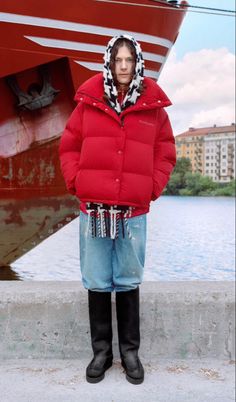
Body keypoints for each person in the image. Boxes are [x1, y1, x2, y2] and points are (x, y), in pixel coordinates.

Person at [59, 34, 176, 385]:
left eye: (129, 60)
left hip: (133, 212)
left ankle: (130, 352)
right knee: (96, 279)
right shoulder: (88, 102)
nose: (123, 67)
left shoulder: (152, 105)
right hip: (93, 208)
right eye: (117, 60)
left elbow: (166, 152)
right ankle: (101, 352)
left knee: (127, 279)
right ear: (109, 62)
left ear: (137, 63)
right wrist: (77, 182)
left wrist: (151, 187)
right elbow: (68, 147)